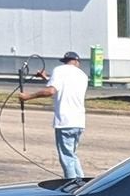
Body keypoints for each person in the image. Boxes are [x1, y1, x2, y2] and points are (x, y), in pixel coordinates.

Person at [18, 50, 90, 179]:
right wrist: (46, 78)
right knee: (72, 154)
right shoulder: (82, 75)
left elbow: (51, 91)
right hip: (79, 121)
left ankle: (72, 184)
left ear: (65, 61)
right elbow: (65, 87)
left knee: (67, 156)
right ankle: (81, 182)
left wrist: (27, 97)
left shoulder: (59, 70)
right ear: (77, 62)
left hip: (65, 121)